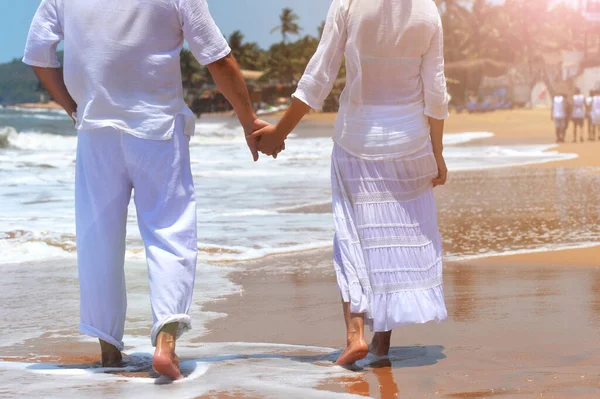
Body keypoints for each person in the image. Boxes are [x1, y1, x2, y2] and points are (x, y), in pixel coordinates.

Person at [23, 0, 278, 380]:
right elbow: (218, 59)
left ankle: (109, 352)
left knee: (98, 241)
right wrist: (249, 121)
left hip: (96, 133)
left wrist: (73, 107)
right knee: (169, 230)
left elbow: (39, 55)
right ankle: (165, 345)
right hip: (157, 130)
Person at [253, 0, 449, 365]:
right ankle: (381, 342)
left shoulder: (348, 4)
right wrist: (437, 152)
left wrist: (279, 132)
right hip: (410, 140)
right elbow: (435, 90)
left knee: (354, 238)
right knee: (389, 239)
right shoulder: (428, 11)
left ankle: (355, 333)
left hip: (357, 137)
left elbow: (319, 76)